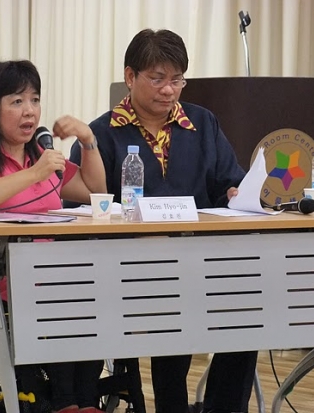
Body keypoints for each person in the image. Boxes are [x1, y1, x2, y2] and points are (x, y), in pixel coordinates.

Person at [70, 29, 258, 413]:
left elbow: (229, 182)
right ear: (130, 77)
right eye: (157, 79)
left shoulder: (202, 124)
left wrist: (237, 194)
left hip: (203, 259)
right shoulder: (101, 134)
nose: (169, 90)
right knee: (172, 312)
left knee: (247, 310)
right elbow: (83, 207)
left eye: (177, 80)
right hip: (129, 269)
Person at [0, 60, 106, 413]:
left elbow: (97, 192)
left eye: (34, 100)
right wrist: (34, 174)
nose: (29, 111)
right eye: (16, 101)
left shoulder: (40, 156)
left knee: (97, 293)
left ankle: (85, 402)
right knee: (63, 297)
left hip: (46, 273)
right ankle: (65, 403)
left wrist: (88, 140)